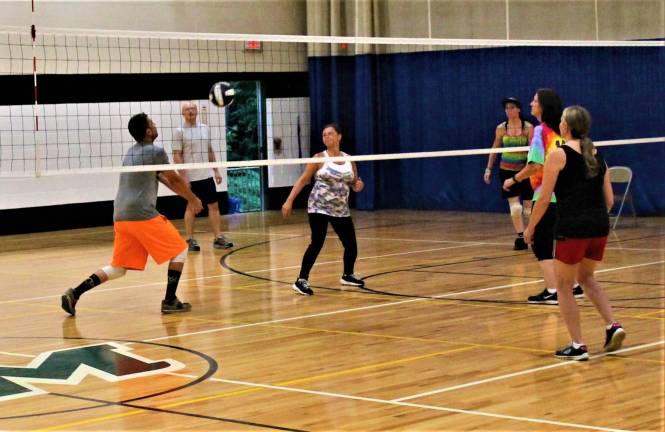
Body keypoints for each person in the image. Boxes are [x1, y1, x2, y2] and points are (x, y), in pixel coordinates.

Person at [60, 113, 204, 316]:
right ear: (148, 131)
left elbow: (165, 180)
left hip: (120, 214)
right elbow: (175, 179)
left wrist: (188, 197)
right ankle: (170, 301)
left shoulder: (131, 152)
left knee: (119, 268)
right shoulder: (156, 151)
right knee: (180, 250)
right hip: (141, 213)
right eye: (152, 124)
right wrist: (193, 199)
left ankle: (75, 293)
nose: (155, 126)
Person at [525, 106, 625, 360]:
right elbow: (610, 200)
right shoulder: (596, 154)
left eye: (561, 121)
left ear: (566, 126)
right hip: (599, 227)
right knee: (587, 278)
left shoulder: (558, 155)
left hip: (573, 228)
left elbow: (544, 199)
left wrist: (531, 227)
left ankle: (578, 345)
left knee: (564, 286)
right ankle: (613, 325)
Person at [502, 89, 584, 304]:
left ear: (543, 107)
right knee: (561, 243)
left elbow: (535, 166)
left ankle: (553, 290)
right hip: (568, 196)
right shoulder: (565, 132)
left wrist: (514, 180)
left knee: (540, 243)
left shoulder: (541, 131)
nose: (531, 103)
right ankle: (574, 286)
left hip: (548, 194)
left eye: (535, 101)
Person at [281, 123, 365, 296]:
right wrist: (288, 201)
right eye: (324, 135)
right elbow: (303, 180)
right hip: (318, 206)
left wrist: (358, 185)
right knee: (317, 242)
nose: (326, 137)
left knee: (351, 244)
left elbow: (354, 182)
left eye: (330, 134)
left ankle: (348, 275)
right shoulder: (319, 158)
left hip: (340, 209)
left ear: (339, 136)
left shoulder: (349, 159)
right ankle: (301, 280)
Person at [173, 101, 233, 252]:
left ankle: (218, 238)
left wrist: (216, 171)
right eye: (187, 109)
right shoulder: (179, 131)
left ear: (197, 111)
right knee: (191, 207)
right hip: (190, 177)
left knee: (213, 206)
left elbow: (209, 150)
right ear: (183, 113)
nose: (191, 111)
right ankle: (190, 240)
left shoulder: (205, 128)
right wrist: (183, 176)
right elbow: (177, 155)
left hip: (206, 175)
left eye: (193, 108)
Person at [484, 97, 534, 250]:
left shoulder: (528, 127)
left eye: (512, 107)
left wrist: (530, 168)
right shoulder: (501, 128)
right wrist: (488, 168)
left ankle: (531, 235)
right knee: (515, 208)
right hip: (506, 171)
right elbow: (494, 149)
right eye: (507, 108)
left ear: (519, 109)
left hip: (525, 172)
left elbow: (533, 150)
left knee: (528, 209)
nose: (509, 110)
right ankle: (521, 238)